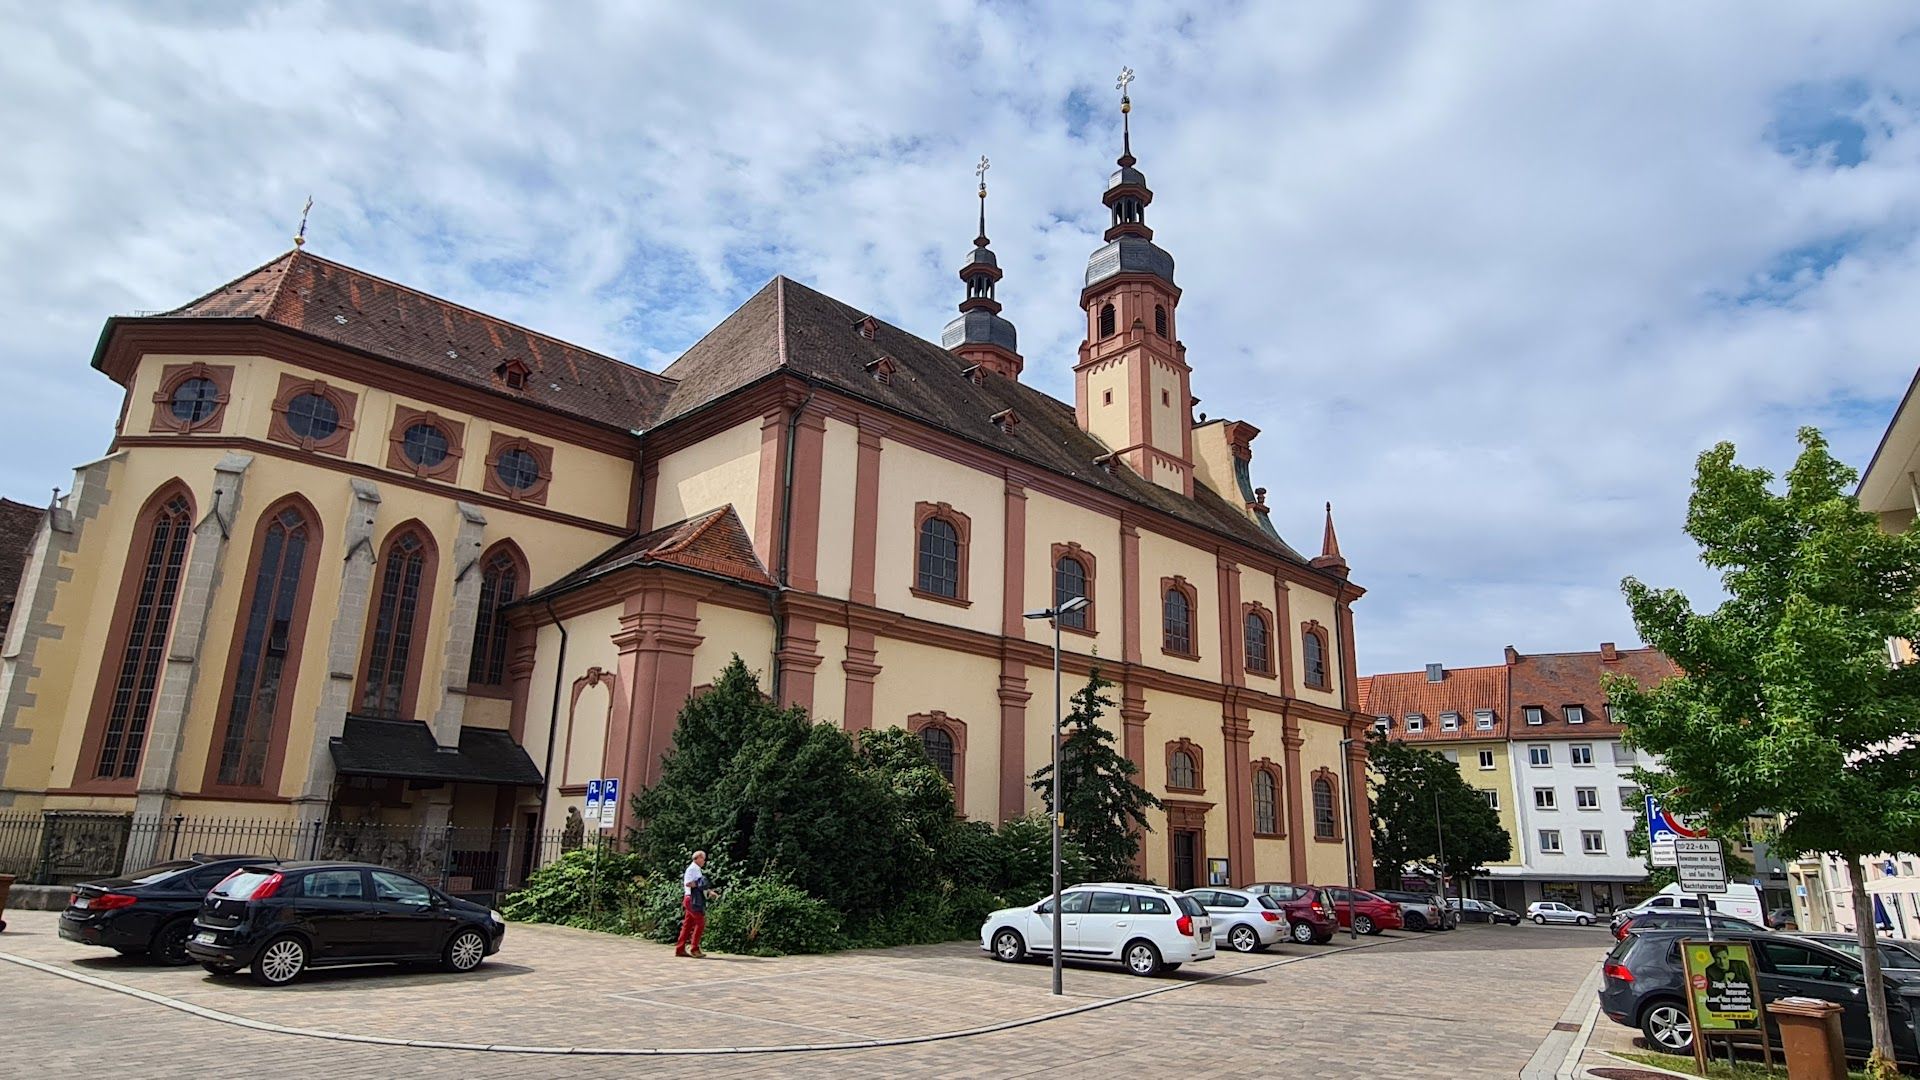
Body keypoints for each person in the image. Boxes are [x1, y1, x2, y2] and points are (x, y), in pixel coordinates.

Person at [676, 850, 712, 958]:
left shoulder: (696, 869)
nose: (704, 861)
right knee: (700, 923)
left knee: (687, 925)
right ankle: (694, 948)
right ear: (698, 858)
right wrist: (699, 884)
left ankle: (680, 948)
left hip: (691, 899)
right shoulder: (692, 869)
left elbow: (698, 885)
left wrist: (709, 891)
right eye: (703, 859)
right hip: (692, 899)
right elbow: (689, 883)